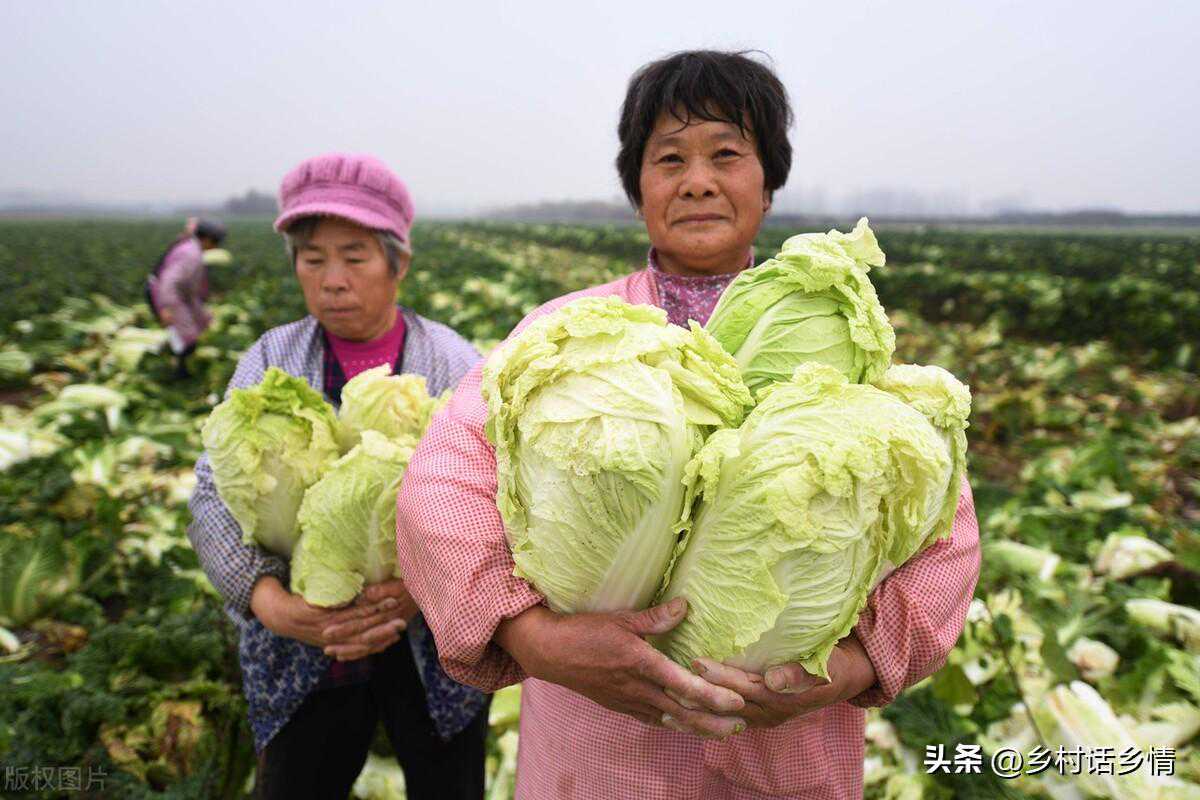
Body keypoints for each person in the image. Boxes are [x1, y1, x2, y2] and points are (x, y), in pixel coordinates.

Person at [395, 51, 981, 799]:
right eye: (669, 158)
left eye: (726, 155)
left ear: (767, 182)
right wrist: (534, 638)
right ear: (637, 187)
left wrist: (853, 666)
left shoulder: (844, 341)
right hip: (599, 757)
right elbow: (444, 483)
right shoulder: (565, 335)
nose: (698, 180)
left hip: (786, 758)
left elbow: (943, 527)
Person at [187, 153, 489, 800]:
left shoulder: (452, 360)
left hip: (433, 645)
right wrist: (271, 604)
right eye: (312, 259)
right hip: (302, 644)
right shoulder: (272, 357)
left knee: (448, 784)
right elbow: (212, 494)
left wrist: (421, 587)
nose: (332, 282)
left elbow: (491, 498)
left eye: (355, 258)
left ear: (398, 264)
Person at [149, 217, 225, 378]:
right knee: (186, 335)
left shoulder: (193, 248)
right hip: (166, 294)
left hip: (176, 294)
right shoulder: (190, 254)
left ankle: (179, 366)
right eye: (216, 242)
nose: (215, 247)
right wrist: (165, 308)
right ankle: (178, 372)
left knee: (192, 329)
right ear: (207, 240)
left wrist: (203, 315)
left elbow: (189, 290)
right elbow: (169, 282)